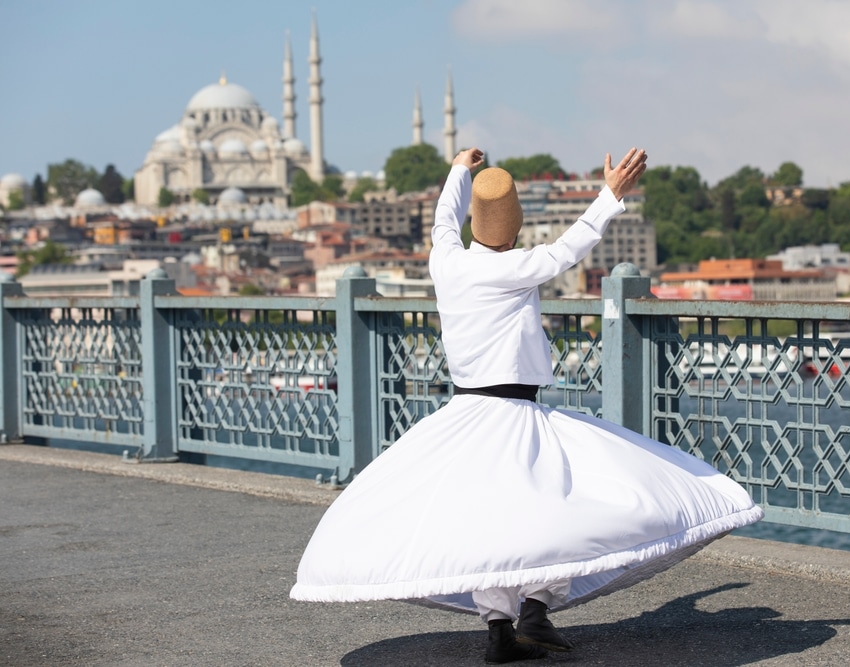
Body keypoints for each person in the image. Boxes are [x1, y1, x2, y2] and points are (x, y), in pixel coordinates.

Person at [291, 146, 763, 664]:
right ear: (514, 233)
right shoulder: (513, 267)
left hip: (466, 413)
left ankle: (502, 628)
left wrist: (457, 171)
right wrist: (610, 195)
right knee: (554, 511)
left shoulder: (446, 260)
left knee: (496, 523)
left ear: (475, 226)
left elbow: (442, 221)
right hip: (516, 413)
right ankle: (536, 610)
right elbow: (567, 250)